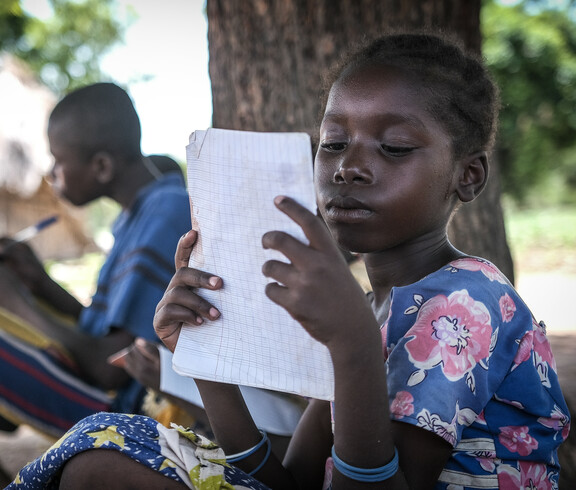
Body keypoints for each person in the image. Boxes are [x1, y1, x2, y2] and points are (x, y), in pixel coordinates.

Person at [9, 31, 570, 489]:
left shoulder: (466, 305)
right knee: (109, 439)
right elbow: (289, 481)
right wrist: (204, 362)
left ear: (467, 175)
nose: (349, 166)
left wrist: (351, 347)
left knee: (101, 465)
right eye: (333, 143)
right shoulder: (373, 308)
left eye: (393, 148)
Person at [0, 83, 191, 438]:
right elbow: (99, 329)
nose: (51, 173)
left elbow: (113, 367)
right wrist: (40, 284)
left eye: (58, 161)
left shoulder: (167, 212)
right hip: (109, 394)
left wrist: (15, 302)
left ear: (102, 166)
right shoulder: (137, 216)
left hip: (129, 414)